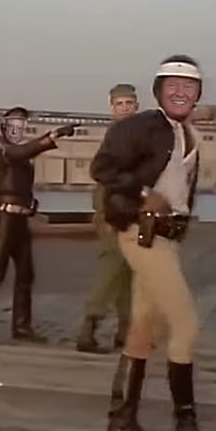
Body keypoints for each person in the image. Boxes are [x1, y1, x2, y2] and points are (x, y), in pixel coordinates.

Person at [91, 55, 207, 431]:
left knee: (143, 328)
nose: (180, 92)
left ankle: (121, 425)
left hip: (168, 237)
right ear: (158, 91)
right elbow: (102, 168)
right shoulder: (139, 126)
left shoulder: (185, 130)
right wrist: (143, 194)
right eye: (172, 85)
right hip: (142, 233)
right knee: (185, 326)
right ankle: (185, 424)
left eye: (188, 86)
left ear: (197, 94)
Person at [0, 106, 77, 345]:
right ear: (4, 126)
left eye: (22, 126)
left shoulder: (20, 153)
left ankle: (21, 326)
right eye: (13, 125)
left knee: (26, 275)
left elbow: (22, 169)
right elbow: (20, 153)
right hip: (5, 220)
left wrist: (31, 205)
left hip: (20, 220)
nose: (17, 130)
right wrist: (53, 136)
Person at [76, 84, 139, 354]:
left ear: (136, 106)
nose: (124, 108)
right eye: (119, 104)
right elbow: (100, 172)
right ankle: (88, 328)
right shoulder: (117, 136)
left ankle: (125, 331)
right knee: (112, 267)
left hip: (130, 206)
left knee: (128, 270)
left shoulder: (136, 133)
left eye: (129, 103)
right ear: (112, 108)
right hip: (112, 207)